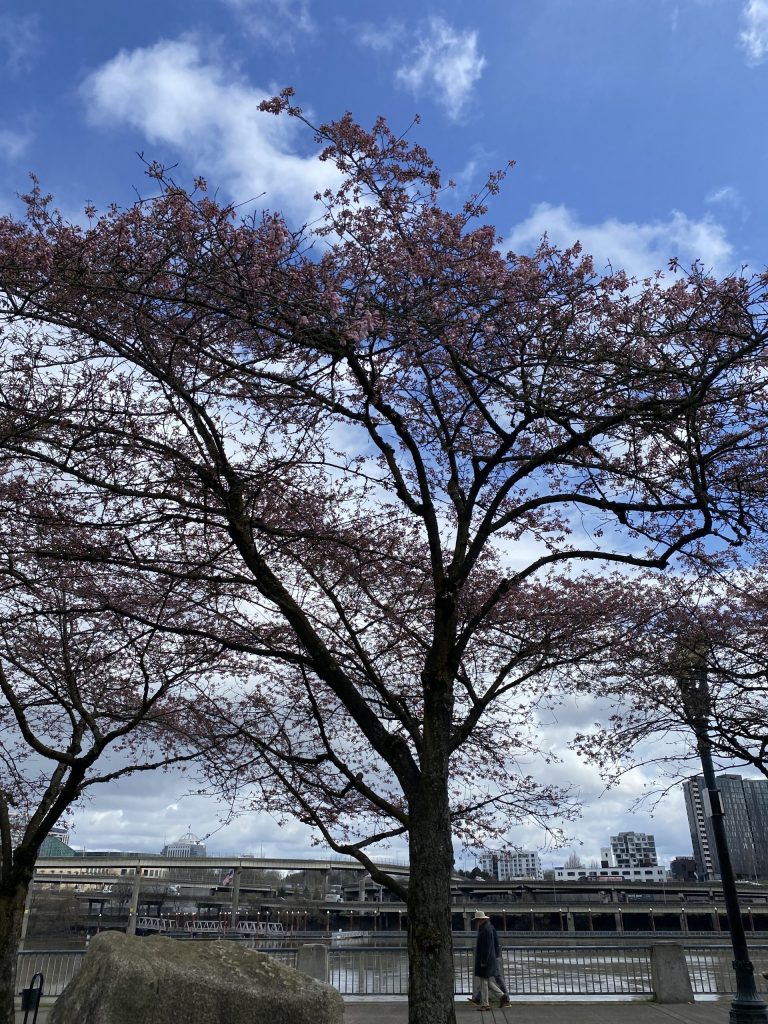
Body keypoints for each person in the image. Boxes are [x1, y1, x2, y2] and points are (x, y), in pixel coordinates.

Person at [469, 910, 511, 1010]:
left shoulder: (485, 930)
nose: (477, 922)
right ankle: (502, 996)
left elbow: (486, 948)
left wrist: (483, 961)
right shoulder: (487, 928)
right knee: (486, 981)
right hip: (489, 960)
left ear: (481, 920)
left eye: (477, 920)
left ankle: (485, 1004)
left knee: (484, 982)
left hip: (485, 961)